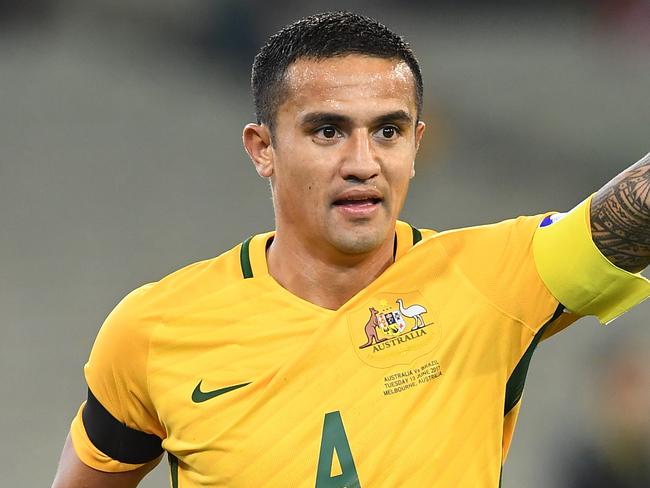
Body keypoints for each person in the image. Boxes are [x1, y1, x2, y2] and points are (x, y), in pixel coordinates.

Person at [52, 11, 649, 488]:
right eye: (328, 131)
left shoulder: (495, 275)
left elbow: (630, 214)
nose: (363, 164)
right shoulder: (152, 331)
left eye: (388, 131)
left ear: (417, 145)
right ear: (262, 148)